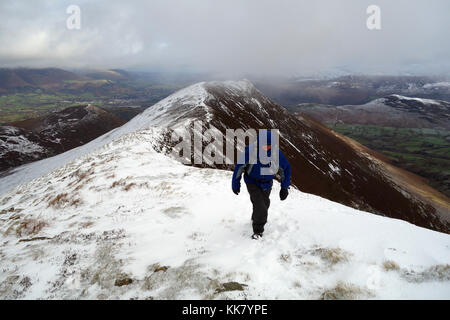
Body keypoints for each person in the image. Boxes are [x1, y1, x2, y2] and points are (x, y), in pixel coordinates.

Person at [231, 130, 291, 239]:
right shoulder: (250, 151)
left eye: (269, 146)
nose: (266, 148)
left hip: (267, 183)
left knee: (265, 203)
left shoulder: (276, 153)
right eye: (264, 145)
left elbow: (285, 169)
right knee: (260, 206)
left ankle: (255, 217)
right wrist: (235, 184)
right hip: (252, 181)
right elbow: (239, 167)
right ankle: (258, 231)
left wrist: (284, 188)